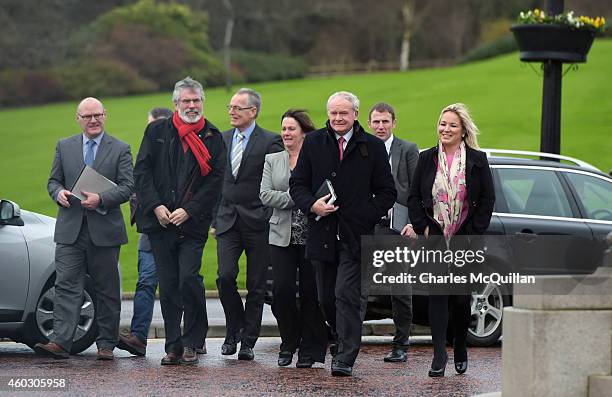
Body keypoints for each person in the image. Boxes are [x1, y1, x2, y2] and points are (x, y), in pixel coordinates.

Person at [289, 91, 396, 376]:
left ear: (355, 115)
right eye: (333, 113)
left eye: (343, 113)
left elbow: (387, 192)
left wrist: (365, 215)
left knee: (346, 294)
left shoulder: (371, 146)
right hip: (322, 233)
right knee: (326, 298)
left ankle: (346, 357)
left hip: (356, 236)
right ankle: (341, 336)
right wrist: (312, 205)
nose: (338, 118)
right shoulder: (313, 143)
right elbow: (297, 185)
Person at [133, 77, 226, 366]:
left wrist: (190, 210)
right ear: (176, 103)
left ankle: (193, 340)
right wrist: (156, 206)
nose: (192, 105)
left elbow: (215, 182)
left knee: (188, 279)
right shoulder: (157, 131)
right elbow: (142, 173)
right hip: (160, 223)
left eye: (196, 100)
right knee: (169, 285)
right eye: (186, 101)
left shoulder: (212, 136)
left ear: (203, 102)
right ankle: (173, 345)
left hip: (192, 223)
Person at [35, 97, 134, 360]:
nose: (93, 120)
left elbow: (128, 186)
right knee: (66, 286)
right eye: (88, 116)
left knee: (106, 289)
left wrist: (101, 199)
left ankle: (106, 345)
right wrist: (58, 193)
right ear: (78, 119)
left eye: (98, 115)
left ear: (105, 115)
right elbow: (53, 180)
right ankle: (60, 342)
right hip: (70, 230)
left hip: (105, 230)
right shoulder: (64, 146)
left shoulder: (120, 148)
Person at [403, 103, 495, 377]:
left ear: (463, 131)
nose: (445, 129)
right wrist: (423, 227)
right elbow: (413, 198)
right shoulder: (426, 158)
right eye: (442, 124)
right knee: (438, 297)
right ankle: (439, 355)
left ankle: (460, 347)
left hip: (464, 239)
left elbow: (487, 200)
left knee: (459, 299)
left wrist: (474, 233)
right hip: (435, 239)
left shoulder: (478, 160)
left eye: (452, 125)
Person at [213, 88, 283, 361]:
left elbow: (278, 180)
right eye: (230, 107)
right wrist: (214, 217)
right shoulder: (222, 139)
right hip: (227, 221)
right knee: (225, 276)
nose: (231, 111)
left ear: (253, 111)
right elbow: (214, 183)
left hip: (258, 222)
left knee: (256, 285)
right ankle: (234, 329)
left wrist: (267, 213)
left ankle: (248, 342)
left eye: (237, 108)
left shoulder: (270, 141)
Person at [259, 109, 328, 368]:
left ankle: (310, 349)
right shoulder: (272, 159)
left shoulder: (317, 158)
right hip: (281, 235)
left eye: (291, 129)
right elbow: (265, 195)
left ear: (304, 133)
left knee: (311, 294)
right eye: (284, 129)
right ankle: (289, 342)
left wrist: (304, 198)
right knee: (283, 292)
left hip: (312, 235)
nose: (286, 133)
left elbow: (325, 192)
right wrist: (299, 197)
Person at [361, 102, 419, 363]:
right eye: (376, 122)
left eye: (385, 121)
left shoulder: (407, 149)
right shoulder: (360, 149)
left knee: (400, 287)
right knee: (358, 286)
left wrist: (416, 223)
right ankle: (347, 342)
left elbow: (418, 191)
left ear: (394, 123)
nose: (380, 126)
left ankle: (401, 344)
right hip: (366, 227)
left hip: (397, 229)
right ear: (369, 123)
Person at [117, 107, 173, 357]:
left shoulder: (179, 152)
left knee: (183, 284)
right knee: (146, 281)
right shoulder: (144, 152)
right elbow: (134, 185)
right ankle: (138, 337)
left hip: (178, 229)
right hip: (149, 231)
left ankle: (193, 339)